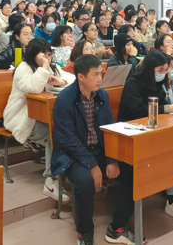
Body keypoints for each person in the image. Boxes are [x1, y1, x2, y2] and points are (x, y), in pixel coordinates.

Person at [52, 54, 140, 245]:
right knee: (84, 182)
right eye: (95, 75)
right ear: (81, 77)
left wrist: (111, 159)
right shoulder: (64, 100)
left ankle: (118, 227)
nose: (100, 79)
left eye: (101, 73)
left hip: (98, 149)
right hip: (73, 155)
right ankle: (85, 233)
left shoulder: (102, 95)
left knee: (132, 170)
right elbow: (68, 141)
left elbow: (108, 130)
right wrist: (92, 165)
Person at [117, 50, 173, 222]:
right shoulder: (133, 83)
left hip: (154, 129)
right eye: (160, 70)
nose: (163, 74)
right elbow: (138, 111)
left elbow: (163, 105)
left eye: (165, 70)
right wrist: (167, 109)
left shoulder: (158, 83)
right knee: (170, 154)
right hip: (133, 133)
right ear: (150, 68)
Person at [4, 38, 74, 201]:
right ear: (33, 54)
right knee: (53, 136)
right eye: (43, 55)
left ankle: (65, 172)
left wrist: (60, 81)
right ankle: (51, 181)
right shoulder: (23, 68)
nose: (47, 58)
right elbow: (33, 89)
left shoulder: (51, 67)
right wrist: (44, 67)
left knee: (66, 130)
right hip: (22, 117)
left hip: (42, 114)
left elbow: (73, 78)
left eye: (49, 54)